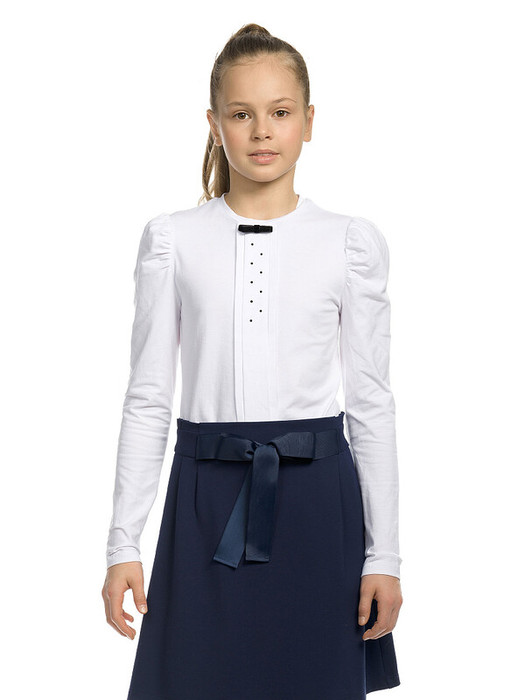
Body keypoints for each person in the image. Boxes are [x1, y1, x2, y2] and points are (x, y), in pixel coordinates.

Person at [101, 22, 403, 700]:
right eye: (241, 114)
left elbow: (372, 404)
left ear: (308, 122)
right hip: (205, 500)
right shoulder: (173, 240)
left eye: (280, 112)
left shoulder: (347, 243)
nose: (262, 131)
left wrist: (383, 555)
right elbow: (148, 398)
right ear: (214, 125)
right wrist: (123, 543)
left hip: (319, 507)